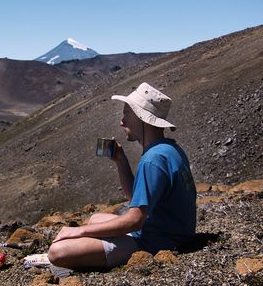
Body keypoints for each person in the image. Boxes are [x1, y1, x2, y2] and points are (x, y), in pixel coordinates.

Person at [47, 82, 196, 269]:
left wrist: (78, 232)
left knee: (57, 252)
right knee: (95, 219)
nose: (121, 121)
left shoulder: (152, 160)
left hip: (157, 240)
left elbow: (135, 220)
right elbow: (136, 200)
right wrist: (121, 161)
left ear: (141, 117)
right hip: (172, 229)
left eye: (126, 114)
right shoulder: (169, 149)